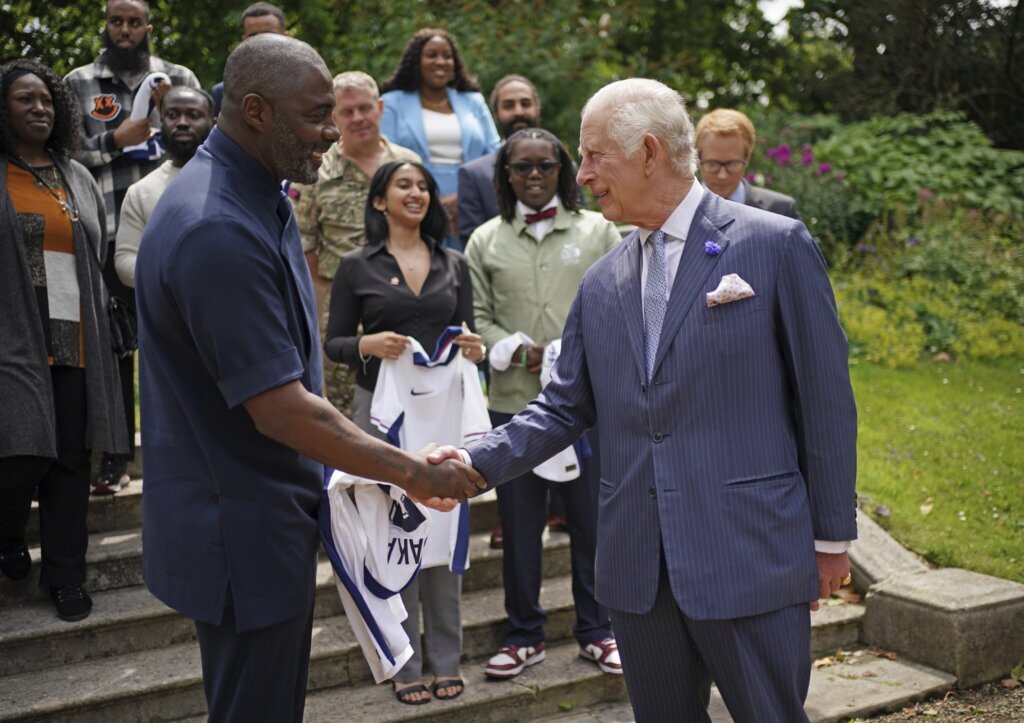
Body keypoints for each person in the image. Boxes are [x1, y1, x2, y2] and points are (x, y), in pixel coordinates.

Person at [431, 78, 857, 722]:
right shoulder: (602, 281)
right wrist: (474, 462)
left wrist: (831, 536)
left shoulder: (774, 245)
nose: (584, 174)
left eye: (595, 155)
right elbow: (563, 406)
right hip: (636, 569)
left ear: (650, 152)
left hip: (748, 554)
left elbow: (825, 400)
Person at [134, 35, 483, 722]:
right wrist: (411, 471)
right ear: (257, 110)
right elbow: (283, 408)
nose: (334, 130)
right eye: (318, 114)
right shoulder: (216, 226)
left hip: (260, 514)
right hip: (239, 528)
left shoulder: (253, 191)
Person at [324, 160, 484, 704]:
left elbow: (467, 333)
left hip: (442, 412)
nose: (416, 193)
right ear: (379, 201)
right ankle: (403, 660)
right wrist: (367, 346)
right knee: (397, 528)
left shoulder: (454, 263)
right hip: (384, 414)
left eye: (424, 186)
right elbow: (334, 342)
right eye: (404, 185)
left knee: (445, 520)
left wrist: (475, 351)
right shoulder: (354, 265)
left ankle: (446, 658)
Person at [464, 128, 622, 680]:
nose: (534, 176)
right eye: (522, 167)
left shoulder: (600, 231)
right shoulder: (484, 240)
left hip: (587, 404)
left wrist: (565, 351)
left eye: (545, 166)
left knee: (589, 523)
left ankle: (597, 629)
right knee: (520, 526)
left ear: (562, 169)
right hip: (512, 405)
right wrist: (508, 346)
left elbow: (620, 307)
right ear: (506, 175)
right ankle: (524, 634)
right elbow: (476, 319)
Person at [0, 59, 127, 622]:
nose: (39, 108)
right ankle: (7, 535)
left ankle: (66, 576)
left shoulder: (73, 174)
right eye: (25, 99)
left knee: (72, 460)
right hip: (11, 336)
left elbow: (96, 256)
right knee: (21, 450)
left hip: (73, 332)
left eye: (47, 100)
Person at [64, 0, 200, 495]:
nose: (125, 30)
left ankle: (190, 443)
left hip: (175, 230)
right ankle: (115, 459)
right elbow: (58, 150)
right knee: (116, 349)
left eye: (134, 21)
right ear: (106, 24)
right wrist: (113, 141)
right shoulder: (79, 82)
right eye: (117, 21)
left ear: (148, 26)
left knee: (184, 342)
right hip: (105, 233)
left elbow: (199, 135)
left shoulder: (177, 76)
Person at [291, 71, 420, 415]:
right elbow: (305, 250)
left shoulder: (408, 165)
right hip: (342, 319)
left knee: (412, 412)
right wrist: (317, 321)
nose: (358, 118)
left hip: (404, 310)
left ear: (379, 108)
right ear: (334, 116)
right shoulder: (314, 171)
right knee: (345, 418)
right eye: (347, 112)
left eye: (365, 108)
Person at [379, 28, 501, 251]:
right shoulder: (391, 102)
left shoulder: (473, 101)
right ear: (417, 61)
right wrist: (432, 201)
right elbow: (386, 156)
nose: (441, 61)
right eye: (432, 55)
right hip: (414, 205)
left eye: (447, 56)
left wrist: (462, 198)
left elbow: (494, 152)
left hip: (473, 206)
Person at [114, 86, 214, 287]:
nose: (182, 123)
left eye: (193, 115)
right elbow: (125, 260)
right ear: (161, 122)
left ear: (214, 123)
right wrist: (175, 276)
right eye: (172, 115)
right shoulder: (141, 192)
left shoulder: (238, 180)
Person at [457, 74, 541, 246]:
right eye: (508, 105)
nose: (518, 112)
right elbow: (472, 244)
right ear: (495, 115)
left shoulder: (565, 167)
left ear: (537, 110)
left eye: (525, 104)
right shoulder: (473, 175)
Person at [695, 108, 800, 219]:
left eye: (732, 164)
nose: (722, 175)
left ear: (747, 158)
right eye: (712, 165)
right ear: (697, 158)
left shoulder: (781, 210)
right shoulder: (679, 209)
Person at [211, 2, 290, 116]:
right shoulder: (223, 93)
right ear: (244, 40)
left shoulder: (310, 85)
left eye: (268, 34)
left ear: (286, 37)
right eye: (253, 35)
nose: (261, 40)